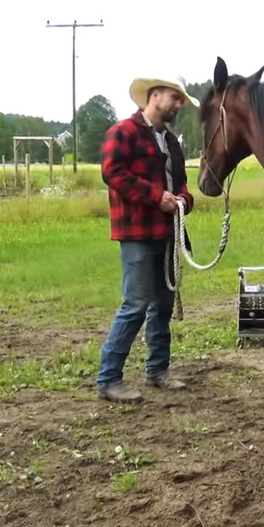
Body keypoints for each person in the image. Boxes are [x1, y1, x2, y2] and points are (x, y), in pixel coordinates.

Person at [95, 76, 199, 403]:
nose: (178, 105)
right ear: (155, 96)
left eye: (181, 100)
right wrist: (157, 197)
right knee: (136, 304)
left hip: (167, 234)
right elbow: (112, 172)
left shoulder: (172, 142)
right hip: (137, 233)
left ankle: (158, 369)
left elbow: (181, 185)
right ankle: (109, 377)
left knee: (163, 305)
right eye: (175, 98)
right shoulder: (122, 132)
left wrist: (182, 200)